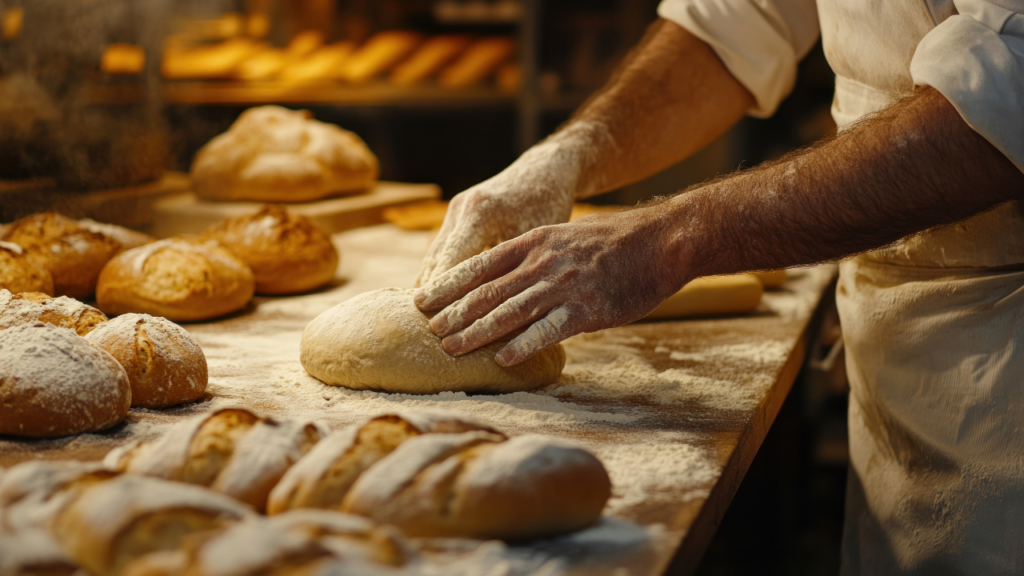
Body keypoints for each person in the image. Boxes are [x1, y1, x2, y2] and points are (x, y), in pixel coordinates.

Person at [412, 0, 1024, 574]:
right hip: (899, 328)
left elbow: (1006, 98)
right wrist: (567, 154)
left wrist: (672, 236)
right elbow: (735, 22)